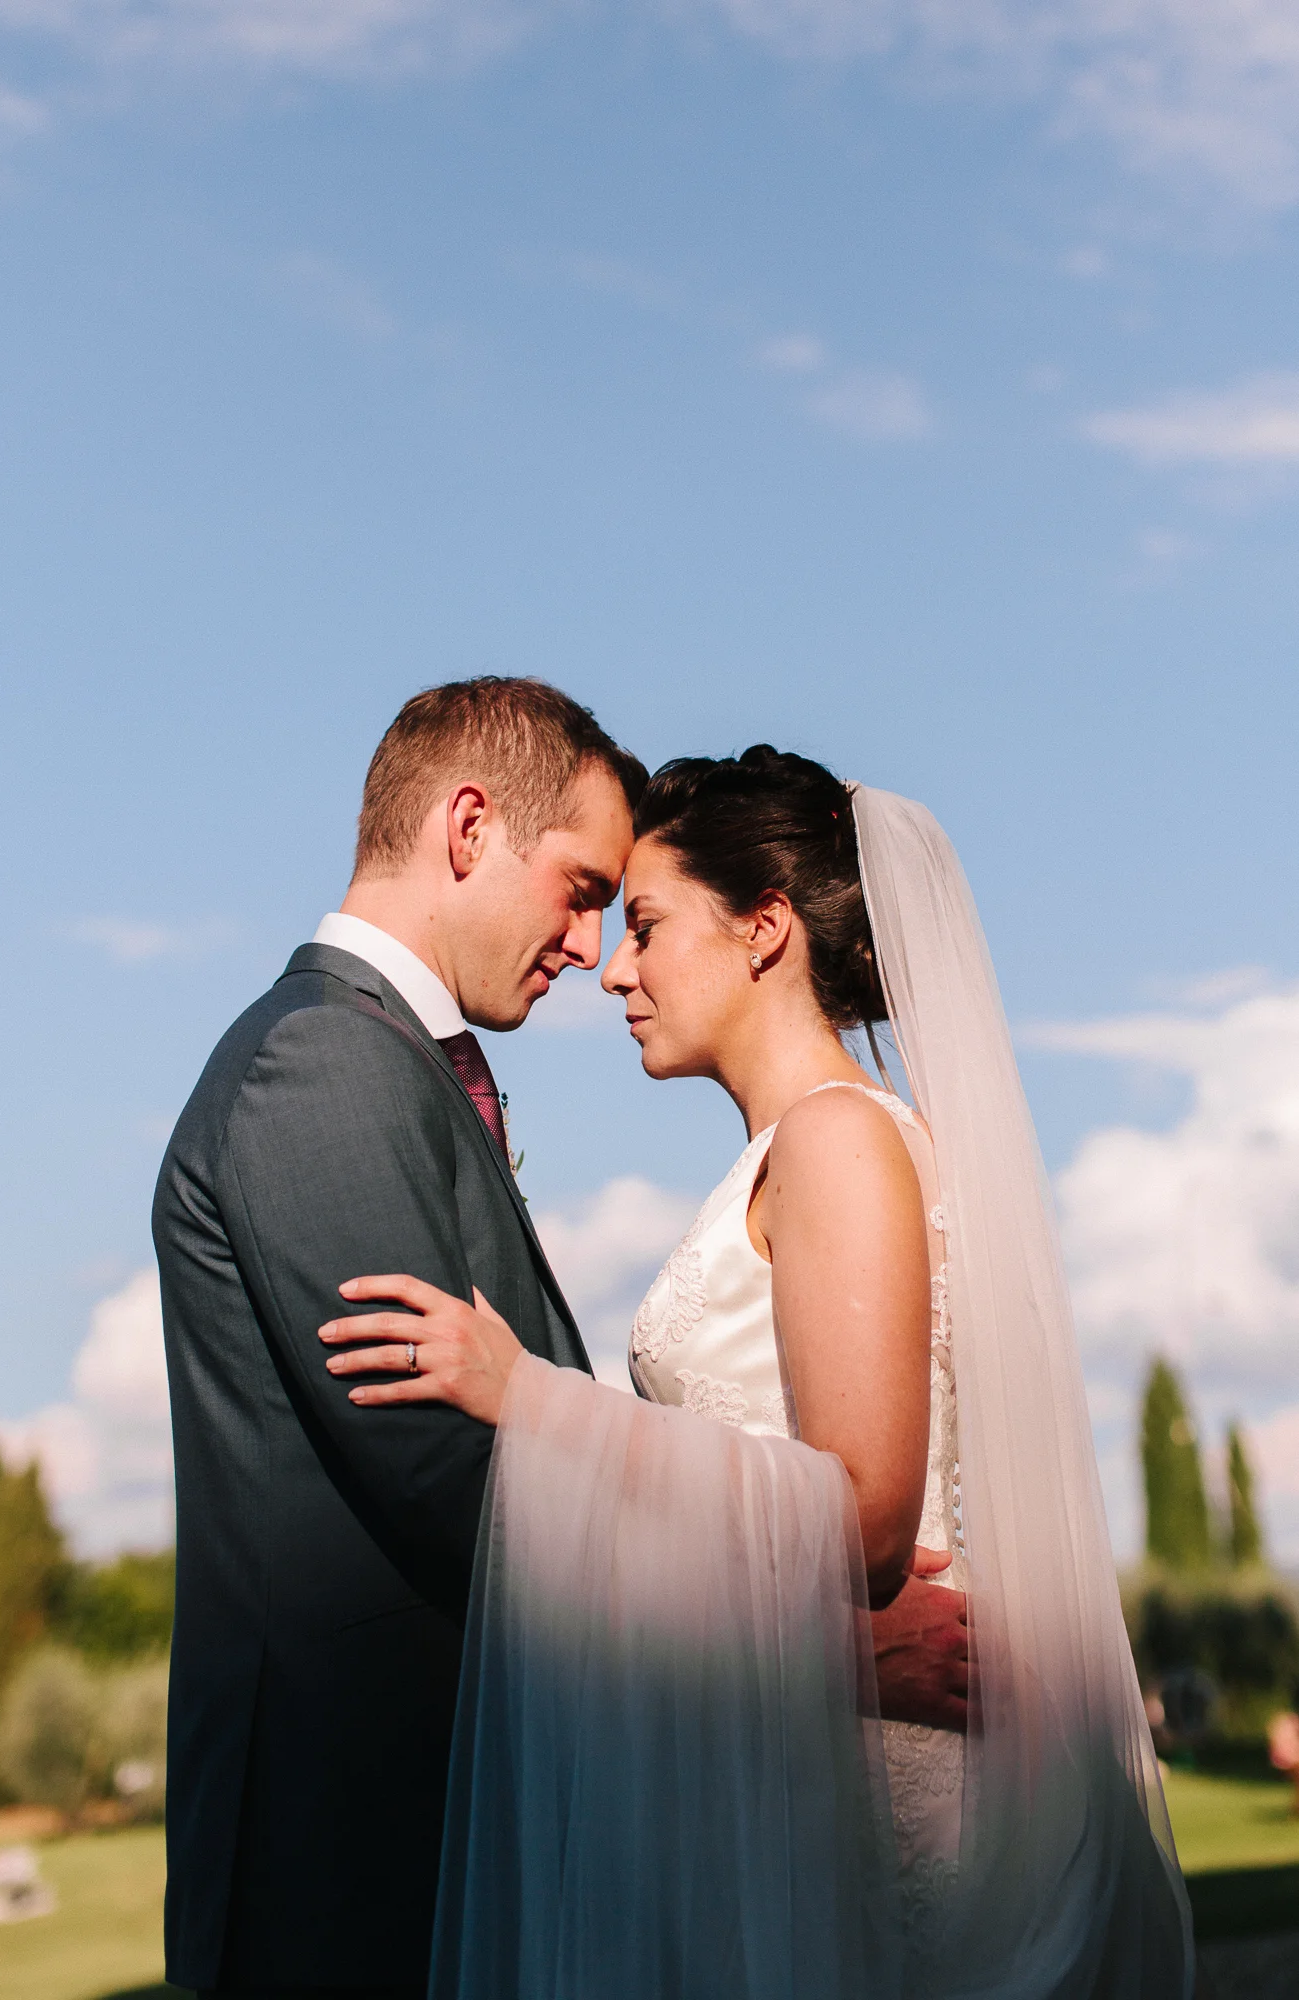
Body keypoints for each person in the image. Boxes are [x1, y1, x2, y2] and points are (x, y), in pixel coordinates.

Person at [324, 746, 1194, 1998]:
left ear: (765, 929)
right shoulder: (803, 1147)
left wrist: (535, 1401)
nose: (613, 967)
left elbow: (865, 1513)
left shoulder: (838, 1138)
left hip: (895, 1781)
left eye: (649, 925)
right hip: (810, 1749)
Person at [154, 687, 965, 2000]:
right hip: (363, 1852)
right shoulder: (323, 1068)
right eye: (585, 890)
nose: (593, 951)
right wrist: (827, 1647)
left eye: (626, 914)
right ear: (467, 828)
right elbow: (450, 1492)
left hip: (465, 1837)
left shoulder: (390, 1069)